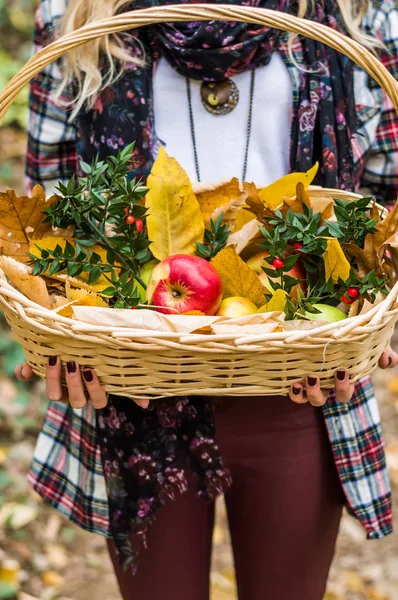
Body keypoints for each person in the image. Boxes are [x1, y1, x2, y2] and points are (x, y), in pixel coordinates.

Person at [14, 0, 398, 598]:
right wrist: (63, 337)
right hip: (134, 387)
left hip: (293, 383)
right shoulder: (75, 16)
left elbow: (381, 212)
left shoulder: (358, 18)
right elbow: (54, 218)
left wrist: (367, 323)